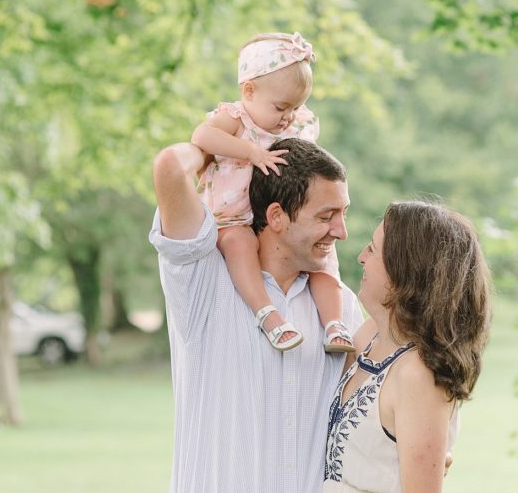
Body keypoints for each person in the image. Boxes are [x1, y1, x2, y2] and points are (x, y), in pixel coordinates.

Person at [149, 137, 363, 493]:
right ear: (277, 216)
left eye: (343, 214)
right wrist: (225, 149)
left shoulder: (340, 309)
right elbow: (170, 166)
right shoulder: (203, 283)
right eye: (326, 216)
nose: (341, 231)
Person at [190, 31, 353, 353]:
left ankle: (335, 324)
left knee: (322, 259)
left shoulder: (294, 123)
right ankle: (268, 314)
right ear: (249, 91)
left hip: (275, 212)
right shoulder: (237, 119)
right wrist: (251, 152)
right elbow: (202, 136)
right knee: (239, 244)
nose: (288, 117)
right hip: (233, 215)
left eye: (296, 107)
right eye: (281, 107)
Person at [324, 201, 493, 492]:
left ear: (405, 269)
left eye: (373, 249)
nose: (362, 257)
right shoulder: (370, 336)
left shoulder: (418, 376)